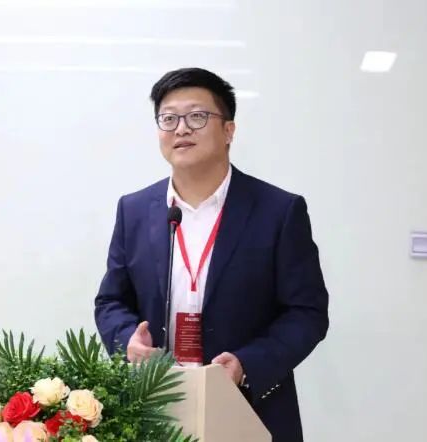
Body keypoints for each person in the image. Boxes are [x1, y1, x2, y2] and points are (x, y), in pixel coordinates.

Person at [94, 67, 329, 442]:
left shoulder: (278, 211)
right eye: (169, 118)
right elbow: (111, 301)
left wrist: (246, 364)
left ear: (229, 130)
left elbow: (307, 312)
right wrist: (128, 343)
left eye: (197, 116)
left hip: (248, 410)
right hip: (153, 408)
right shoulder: (134, 210)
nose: (181, 129)